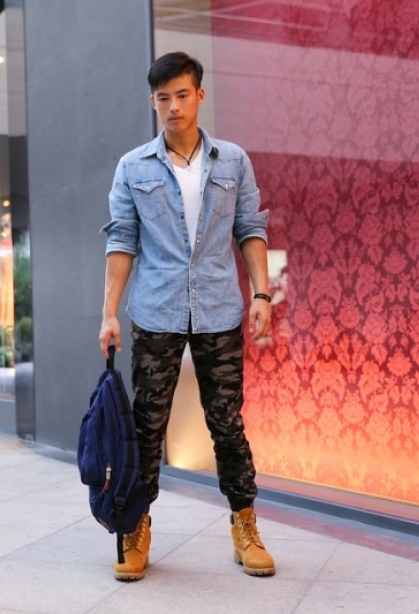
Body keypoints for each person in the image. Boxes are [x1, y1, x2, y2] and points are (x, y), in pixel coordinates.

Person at [98, 52, 275, 581]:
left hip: (219, 309)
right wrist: (108, 313)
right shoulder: (133, 167)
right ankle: (136, 527)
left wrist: (262, 294)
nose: (173, 106)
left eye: (181, 95)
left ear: (199, 95)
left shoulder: (233, 161)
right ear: (152, 101)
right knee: (146, 427)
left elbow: (250, 229)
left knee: (228, 423)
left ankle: (246, 527)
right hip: (156, 310)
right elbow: (122, 240)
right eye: (163, 98)